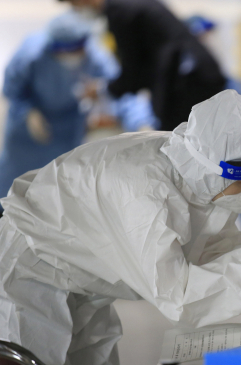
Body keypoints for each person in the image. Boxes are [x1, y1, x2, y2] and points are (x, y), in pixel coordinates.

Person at [0, 90, 241, 365]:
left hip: (84, 280)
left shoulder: (198, 176)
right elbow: (179, 296)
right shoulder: (142, 193)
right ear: (214, 171)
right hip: (29, 270)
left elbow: (215, 256)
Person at [0, 12, 157, 216]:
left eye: (77, 48)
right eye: (64, 49)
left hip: (66, 131)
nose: (72, 54)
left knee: (54, 190)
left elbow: (122, 92)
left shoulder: (95, 57)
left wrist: (142, 123)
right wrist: (28, 112)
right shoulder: (32, 53)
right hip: (27, 133)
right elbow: (11, 87)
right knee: (13, 186)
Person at [60, 0, 228, 131]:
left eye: (75, 4)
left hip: (187, 83)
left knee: (185, 145)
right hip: (197, 76)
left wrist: (101, 89)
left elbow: (132, 73)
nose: (77, 10)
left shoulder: (120, 11)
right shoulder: (131, 5)